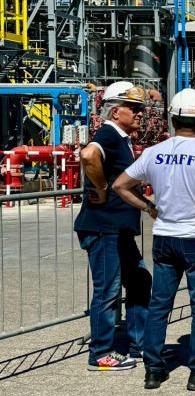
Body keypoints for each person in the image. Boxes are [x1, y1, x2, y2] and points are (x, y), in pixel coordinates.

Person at [113, 88, 195, 391]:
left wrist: (149, 207)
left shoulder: (153, 153)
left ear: (173, 119)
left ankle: (154, 369)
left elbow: (121, 185)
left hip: (165, 237)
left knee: (160, 305)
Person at [75, 81, 151, 371]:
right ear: (116, 111)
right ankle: (100, 353)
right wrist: (103, 188)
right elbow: (88, 155)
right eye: (134, 108)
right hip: (103, 227)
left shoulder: (122, 138)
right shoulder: (108, 133)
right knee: (107, 290)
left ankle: (140, 344)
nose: (140, 114)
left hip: (117, 229)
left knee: (140, 280)